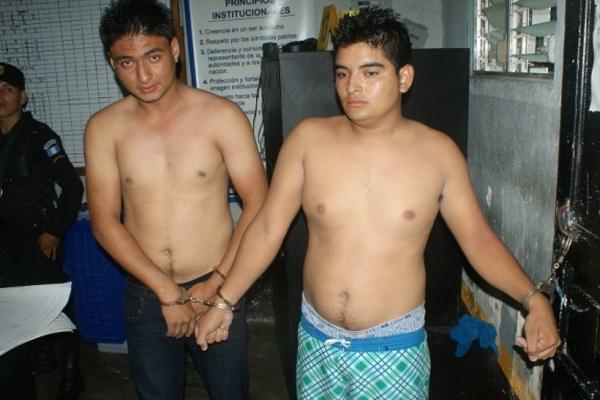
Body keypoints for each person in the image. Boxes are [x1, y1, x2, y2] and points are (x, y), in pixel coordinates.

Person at [196, 7, 561, 399]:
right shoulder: (307, 141)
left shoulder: (437, 154)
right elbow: (268, 227)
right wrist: (224, 302)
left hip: (395, 348)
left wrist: (533, 300)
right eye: (342, 73)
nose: (352, 87)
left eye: (370, 73)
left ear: (404, 78)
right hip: (317, 341)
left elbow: (478, 240)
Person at [84, 0, 267, 399]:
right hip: (148, 294)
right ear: (112, 64)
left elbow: (259, 204)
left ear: (175, 49)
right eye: (127, 62)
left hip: (219, 286)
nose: (143, 75)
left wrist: (216, 284)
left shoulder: (222, 116)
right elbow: (104, 222)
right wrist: (167, 292)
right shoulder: (104, 129)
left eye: (153, 56)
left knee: (230, 392)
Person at [0, 62, 84, 399]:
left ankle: (72, 374)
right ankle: (29, 367)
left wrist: (54, 232)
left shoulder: (40, 136)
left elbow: (73, 188)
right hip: (4, 241)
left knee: (55, 309)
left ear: (22, 97)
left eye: (7, 90)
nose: (1, 96)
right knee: (11, 310)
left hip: (39, 239)